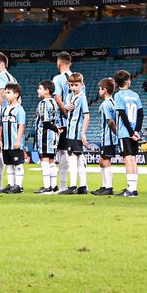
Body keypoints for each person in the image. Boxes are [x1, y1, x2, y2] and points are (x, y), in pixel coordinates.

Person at [112, 70, 144, 198]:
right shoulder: (135, 95)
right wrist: (136, 130)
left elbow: (123, 115)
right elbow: (141, 114)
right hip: (134, 131)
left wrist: (130, 132)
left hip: (125, 132)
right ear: (128, 81)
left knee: (128, 159)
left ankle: (130, 189)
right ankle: (133, 188)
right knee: (134, 159)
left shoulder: (118, 96)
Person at [0, 52, 18, 190]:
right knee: (7, 149)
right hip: (12, 116)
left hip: (1, 117)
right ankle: (12, 183)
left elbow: (0, 96)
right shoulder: (12, 78)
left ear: (2, 64)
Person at [57, 73, 90, 195]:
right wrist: (65, 107)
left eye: (76, 85)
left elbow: (87, 115)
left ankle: (73, 186)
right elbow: (67, 111)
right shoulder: (70, 97)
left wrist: (83, 133)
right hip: (70, 132)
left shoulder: (82, 97)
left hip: (75, 133)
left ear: (82, 85)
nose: (73, 87)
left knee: (73, 158)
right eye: (71, 85)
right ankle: (82, 186)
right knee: (80, 159)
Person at [93, 77, 122, 196]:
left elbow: (110, 121)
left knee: (106, 161)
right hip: (107, 137)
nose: (99, 92)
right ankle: (104, 185)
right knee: (101, 161)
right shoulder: (113, 102)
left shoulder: (106, 104)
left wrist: (116, 133)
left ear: (104, 90)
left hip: (108, 138)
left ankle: (108, 187)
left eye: (100, 89)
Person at [51, 52, 74, 190]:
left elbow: (57, 98)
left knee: (61, 151)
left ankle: (63, 184)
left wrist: (65, 114)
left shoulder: (58, 78)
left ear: (59, 63)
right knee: (74, 153)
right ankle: (79, 183)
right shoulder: (76, 77)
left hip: (63, 122)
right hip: (74, 121)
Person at [34, 81, 61, 194]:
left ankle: (47, 186)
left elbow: (45, 121)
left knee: (44, 159)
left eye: (40, 88)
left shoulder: (44, 103)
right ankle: (54, 186)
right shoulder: (54, 102)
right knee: (51, 160)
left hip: (46, 134)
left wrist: (54, 128)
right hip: (54, 136)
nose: (38, 90)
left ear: (47, 90)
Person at [0, 83, 27, 194]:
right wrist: (0, 139)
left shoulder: (20, 110)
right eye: (5, 92)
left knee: (18, 164)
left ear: (16, 94)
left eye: (8, 92)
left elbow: (21, 125)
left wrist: (18, 140)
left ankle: (19, 186)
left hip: (15, 142)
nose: (6, 95)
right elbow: (1, 125)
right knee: (9, 164)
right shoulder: (5, 109)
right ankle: (11, 184)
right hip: (6, 143)